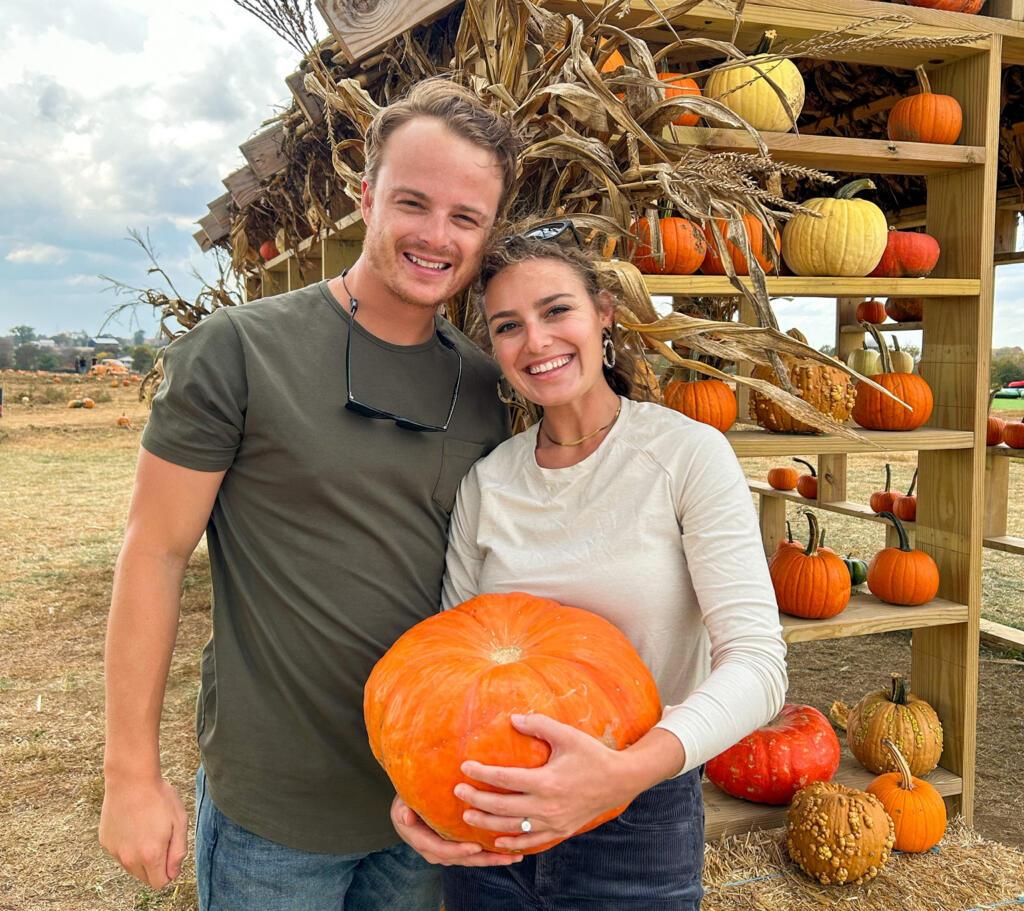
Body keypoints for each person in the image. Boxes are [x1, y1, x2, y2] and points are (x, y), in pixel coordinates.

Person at [98, 78, 526, 910]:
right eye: (413, 202)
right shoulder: (237, 352)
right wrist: (130, 774)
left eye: (466, 217)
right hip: (275, 813)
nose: (437, 235)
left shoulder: (484, 385)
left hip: (423, 798)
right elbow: (152, 553)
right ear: (365, 197)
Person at [392, 232, 789, 910]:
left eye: (556, 311)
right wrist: (420, 791)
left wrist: (624, 772)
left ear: (603, 312)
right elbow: (444, 661)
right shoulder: (488, 483)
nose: (536, 341)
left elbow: (758, 663)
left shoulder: (687, 455)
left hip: (637, 817)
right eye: (508, 326)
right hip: (493, 817)